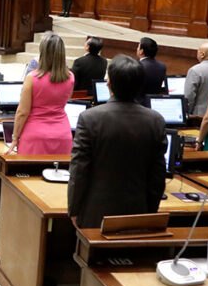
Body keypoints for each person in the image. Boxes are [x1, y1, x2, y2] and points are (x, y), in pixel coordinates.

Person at [68, 54, 166, 228]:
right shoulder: (156, 120)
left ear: (108, 83)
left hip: (95, 214)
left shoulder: (89, 118)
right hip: (138, 211)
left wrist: (74, 209)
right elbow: (157, 176)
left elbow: (79, 171)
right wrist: (150, 213)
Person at [7, 34, 75, 155]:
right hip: (63, 135)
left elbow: (22, 112)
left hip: (35, 136)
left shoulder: (32, 77)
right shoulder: (70, 77)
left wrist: (14, 138)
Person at [184, 42, 208, 117]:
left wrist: (187, 113)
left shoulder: (195, 70)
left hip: (199, 115)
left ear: (202, 54)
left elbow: (189, 95)